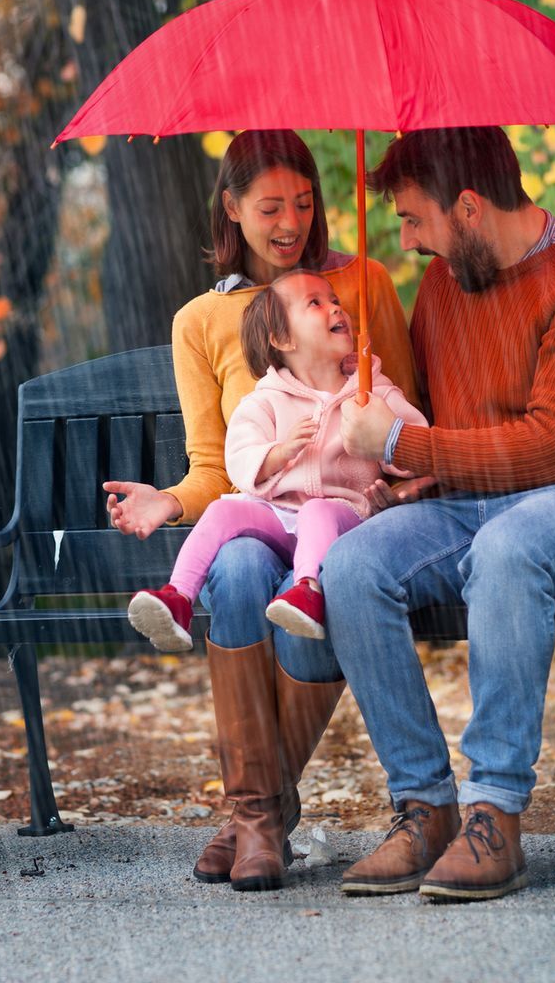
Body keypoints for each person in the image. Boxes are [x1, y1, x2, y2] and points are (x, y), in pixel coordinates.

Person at [322, 125, 555, 903]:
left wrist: (414, 442)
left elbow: (554, 448)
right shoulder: (447, 283)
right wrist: (406, 475)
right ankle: (426, 807)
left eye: (415, 220)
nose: (406, 243)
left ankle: (495, 816)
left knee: (509, 548)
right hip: (472, 506)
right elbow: (451, 432)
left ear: (468, 208)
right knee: (354, 563)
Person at [100, 130, 417, 892]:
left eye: (305, 203)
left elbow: (407, 423)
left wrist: (398, 486)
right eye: (270, 206)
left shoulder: (362, 285)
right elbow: (218, 468)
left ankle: (253, 819)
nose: (291, 223)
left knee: (289, 574)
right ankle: (260, 816)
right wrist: (171, 499)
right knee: (240, 566)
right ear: (231, 208)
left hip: (342, 516)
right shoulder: (199, 323)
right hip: (260, 518)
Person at [127, 268, 428, 651]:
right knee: (223, 512)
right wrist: (279, 453)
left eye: (335, 301)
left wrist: (385, 433)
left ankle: (307, 590)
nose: (336, 309)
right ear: (282, 338)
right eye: (316, 304)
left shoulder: (371, 389)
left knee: (318, 510)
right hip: (281, 518)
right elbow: (238, 454)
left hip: (344, 516)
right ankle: (178, 597)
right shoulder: (266, 398)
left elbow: (412, 442)